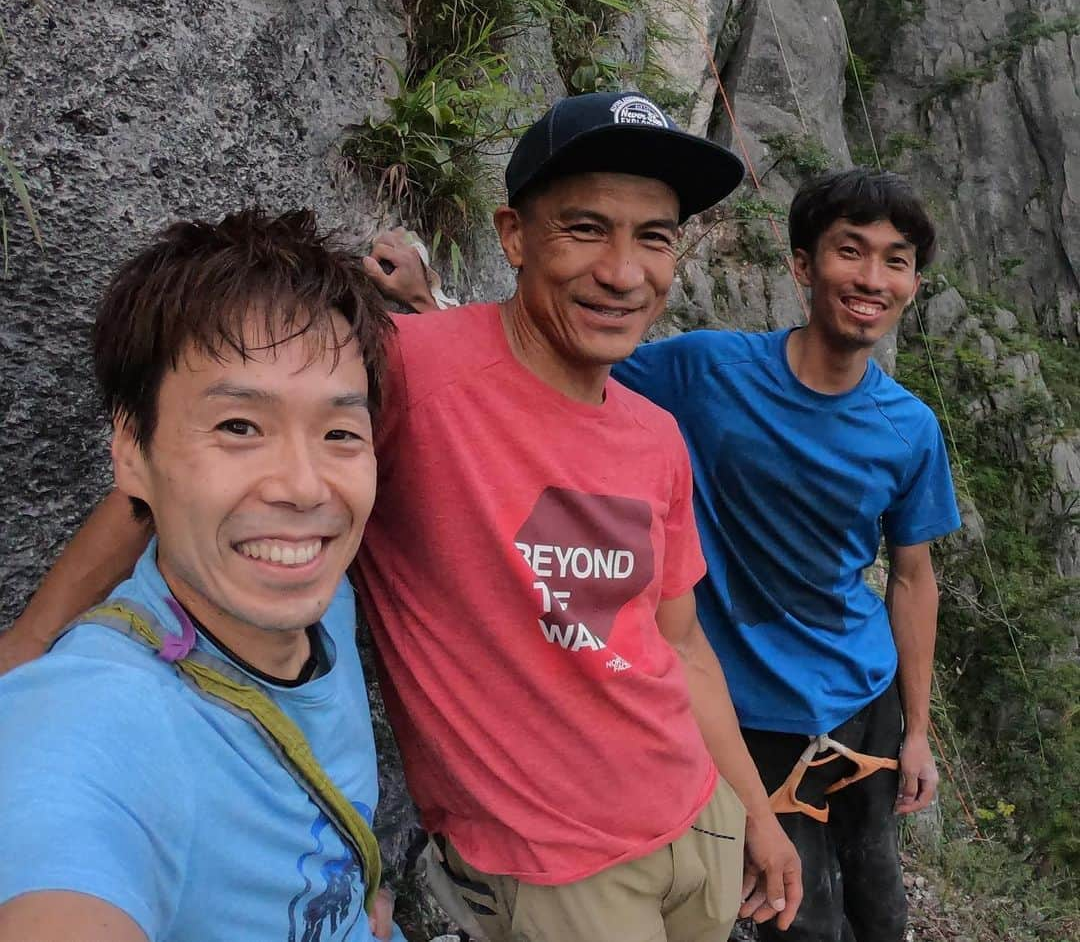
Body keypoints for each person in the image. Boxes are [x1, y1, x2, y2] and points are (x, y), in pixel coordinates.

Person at [0, 92, 803, 941]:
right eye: (585, 228)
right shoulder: (404, 371)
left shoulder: (656, 436)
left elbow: (676, 644)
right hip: (552, 868)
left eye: (655, 236)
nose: (623, 270)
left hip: (693, 811)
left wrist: (752, 806)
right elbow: (177, 469)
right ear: (514, 236)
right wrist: (32, 639)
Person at [0, 209, 400, 942]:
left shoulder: (323, 597)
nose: (305, 488)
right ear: (130, 454)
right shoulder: (96, 720)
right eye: (238, 427)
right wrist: (28, 642)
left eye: (341, 433)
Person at [613, 168, 961, 942]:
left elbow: (911, 580)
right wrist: (429, 298)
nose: (873, 279)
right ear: (803, 265)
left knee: (878, 902)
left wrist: (917, 731)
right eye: (851, 251)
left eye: (896, 260)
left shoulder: (909, 429)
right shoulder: (706, 372)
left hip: (863, 708)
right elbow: (568, 361)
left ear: (912, 283)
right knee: (795, 919)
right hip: (748, 721)